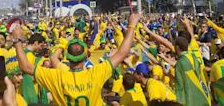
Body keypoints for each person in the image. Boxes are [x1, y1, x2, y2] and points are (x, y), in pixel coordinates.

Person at [13, 13, 142, 105]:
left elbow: (26, 67)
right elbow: (122, 52)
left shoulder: (56, 76)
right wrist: (131, 26)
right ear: (86, 56)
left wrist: (18, 40)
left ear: (67, 57)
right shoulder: (96, 73)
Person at [174, 36, 211, 106]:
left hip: (191, 99)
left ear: (177, 47)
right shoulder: (193, 57)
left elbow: (179, 86)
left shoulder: (180, 63)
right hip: (203, 94)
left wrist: (179, 103)